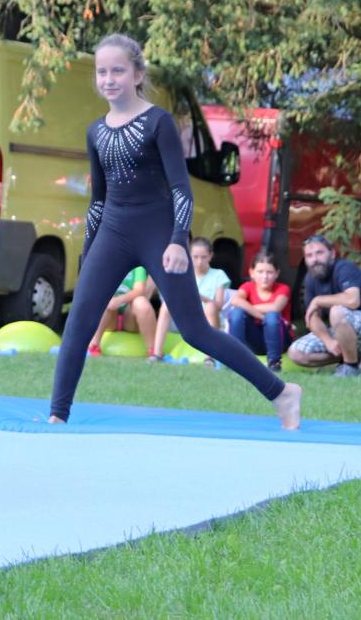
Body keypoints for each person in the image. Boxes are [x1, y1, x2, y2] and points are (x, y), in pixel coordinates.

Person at [49, 34, 301, 429]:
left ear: (137, 74)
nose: (109, 79)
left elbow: (181, 189)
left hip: (158, 234)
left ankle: (281, 392)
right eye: (102, 72)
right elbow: (98, 200)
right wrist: (88, 252)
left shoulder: (158, 122)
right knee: (78, 323)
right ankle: (57, 415)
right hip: (112, 234)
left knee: (196, 330)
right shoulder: (96, 132)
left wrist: (177, 240)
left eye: (118, 71)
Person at [287, 234, 361, 377]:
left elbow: (352, 300)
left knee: (337, 311)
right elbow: (312, 317)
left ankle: (350, 368)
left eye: (319, 253)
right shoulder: (311, 278)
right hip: (342, 332)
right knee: (296, 353)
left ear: (332, 253)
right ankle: (357, 360)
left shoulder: (344, 268)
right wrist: (328, 341)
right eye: (309, 256)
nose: (315, 259)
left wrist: (318, 300)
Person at [151, 236, 231, 362]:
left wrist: (198, 297)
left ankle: (210, 356)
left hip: (207, 318)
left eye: (203, 257)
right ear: (189, 256)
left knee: (210, 307)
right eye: (195, 257)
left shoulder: (218, 275)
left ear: (210, 256)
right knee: (167, 305)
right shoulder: (183, 272)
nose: (199, 261)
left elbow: (219, 305)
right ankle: (157, 353)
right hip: (186, 318)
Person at [225, 251, 293, 371]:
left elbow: (275, 307)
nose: (265, 277)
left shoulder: (283, 288)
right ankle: (236, 359)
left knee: (272, 316)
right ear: (252, 273)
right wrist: (261, 316)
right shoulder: (248, 286)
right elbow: (235, 300)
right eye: (260, 272)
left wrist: (248, 307)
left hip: (279, 340)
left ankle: (274, 363)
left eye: (269, 272)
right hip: (256, 340)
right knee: (236, 313)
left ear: (277, 273)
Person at [86, 267, 157, 357]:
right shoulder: (106, 264)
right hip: (110, 318)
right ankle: (93, 345)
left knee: (141, 302)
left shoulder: (137, 266)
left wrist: (119, 300)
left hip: (130, 318)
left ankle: (153, 350)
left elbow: (139, 290)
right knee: (104, 299)